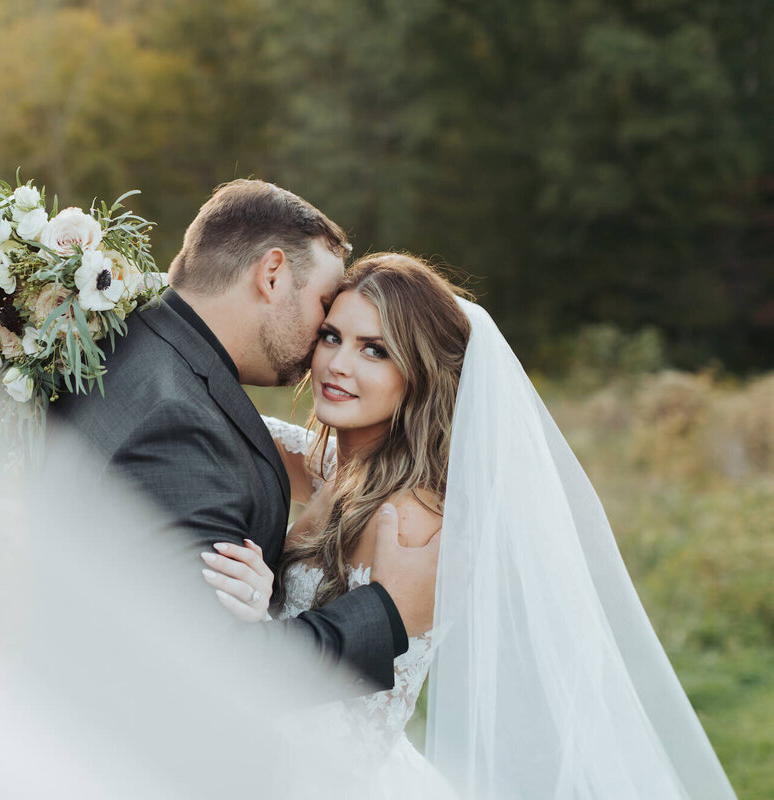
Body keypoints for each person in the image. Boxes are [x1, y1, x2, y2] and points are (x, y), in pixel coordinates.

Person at [208, 253, 737, 798]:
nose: (338, 365)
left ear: (421, 374)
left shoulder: (412, 522)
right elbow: (222, 424)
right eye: (331, 337)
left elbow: (324, 690)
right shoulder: (343, 469)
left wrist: (255, 622)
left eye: (375, 350)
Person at [51, 180, 439, 691]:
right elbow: (209, 669)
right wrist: (385, 618)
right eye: (326, 313)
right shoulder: (183, 426)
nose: (329, 355)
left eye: (374, 348)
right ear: (272, 275)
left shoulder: (128, 340)